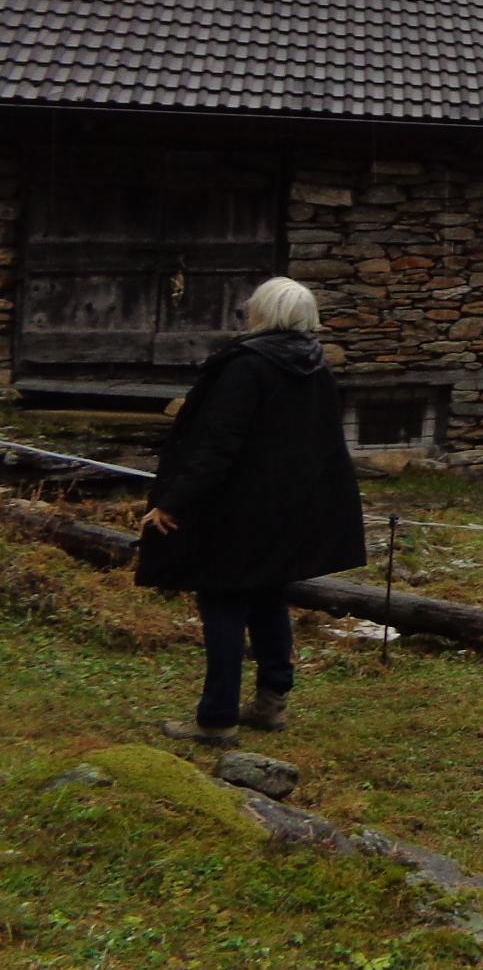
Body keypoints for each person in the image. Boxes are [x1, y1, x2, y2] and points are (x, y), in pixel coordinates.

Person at [136, 276, 367, 745]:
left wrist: (173, 502)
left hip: (235, 510)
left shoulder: (247, 367)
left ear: (264, 312)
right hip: (284, 510)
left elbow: (218, 443)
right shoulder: (316, 368)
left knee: (223, 601)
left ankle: (217, 719)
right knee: (266, 596)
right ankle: (271, 702)